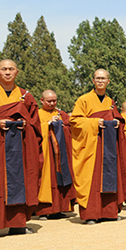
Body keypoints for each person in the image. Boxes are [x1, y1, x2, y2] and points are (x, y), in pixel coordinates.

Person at [0, 59, 42, 239]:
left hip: (19, 147)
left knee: (20, 180)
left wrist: (26, 126)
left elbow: (35, 124)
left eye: (11, 69)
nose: (7, 72)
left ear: (17, 72)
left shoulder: (25, 96)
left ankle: (17, 224)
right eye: (3, 69)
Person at [70, 69, 126, 224]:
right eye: (97, 78)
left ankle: (109, 212)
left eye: (103, 78)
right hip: (91, 146)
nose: (100, 81)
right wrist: (94, 123)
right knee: (92, 178)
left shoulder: (110, 102)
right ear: (93, 81)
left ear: (108, 81)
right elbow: (74, 121)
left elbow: (117, 117)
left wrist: (117, 122)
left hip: (108, 146)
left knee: (110, 176)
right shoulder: (83, 100)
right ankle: (91, 214)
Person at [34, 89, 77, 220]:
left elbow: (71, 127)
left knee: (61, 178)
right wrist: (47, 124)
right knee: (45, 179)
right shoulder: (37, 114)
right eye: (49, 101)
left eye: (54, 101)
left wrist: (62, 125)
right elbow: (33, 131)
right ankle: (44, 210)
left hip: (61, 153)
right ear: (42, 100)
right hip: (46, 153)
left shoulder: (61, 114)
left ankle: (59, 209)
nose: (52, 103)